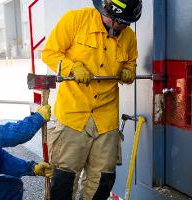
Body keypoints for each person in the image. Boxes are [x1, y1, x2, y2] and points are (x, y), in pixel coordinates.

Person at [42, 0, 142, 199]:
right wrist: (72, 67)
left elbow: (130, 62)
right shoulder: (76, 20)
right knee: (64, 178)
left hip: (106, 119)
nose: (122, 27)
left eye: (127, 23)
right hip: (73, 115)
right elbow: (50, 53)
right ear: (107, 12)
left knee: (103, 179)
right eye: (119, 22)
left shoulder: (129, 36)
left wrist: (129, 70)